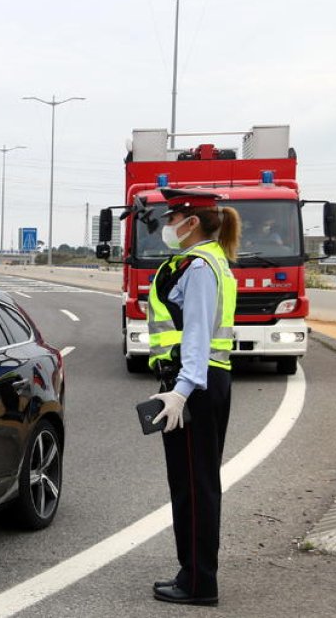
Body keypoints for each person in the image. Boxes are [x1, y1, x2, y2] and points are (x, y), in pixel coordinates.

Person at [145, 188, 239, 606]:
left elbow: (198, 335)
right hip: (201, 383)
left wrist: (180, 393)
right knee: (191, 483)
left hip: (196, 388)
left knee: (195, 487)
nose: (167, 226)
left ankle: (200, 583)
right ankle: (192, 573)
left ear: (191, 222)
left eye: (171, 218)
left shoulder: (200, 267)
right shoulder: (209, 261)